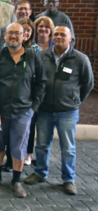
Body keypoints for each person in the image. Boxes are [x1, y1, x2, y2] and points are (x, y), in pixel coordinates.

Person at [25, 26, 94, 195]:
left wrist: (76, 101)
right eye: (55, 34)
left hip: (67, 112)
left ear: (71, 38)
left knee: (68, 147)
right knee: (41, 144)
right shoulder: (41, 56)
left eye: (63, 34)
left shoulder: (80, 59)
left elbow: (88, 84)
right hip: (45, 110)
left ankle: (68, 179)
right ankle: (40, 172)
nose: (58, 37)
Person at [0, 23, 47, 198]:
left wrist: (33, 108)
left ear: (24, 36)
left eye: (17, 33)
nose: (13, 36)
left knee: (19, 146)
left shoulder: (33, 57)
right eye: (10, 33)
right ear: (4, 36)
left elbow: (41, 84)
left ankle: (16, 181)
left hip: (23, 111)